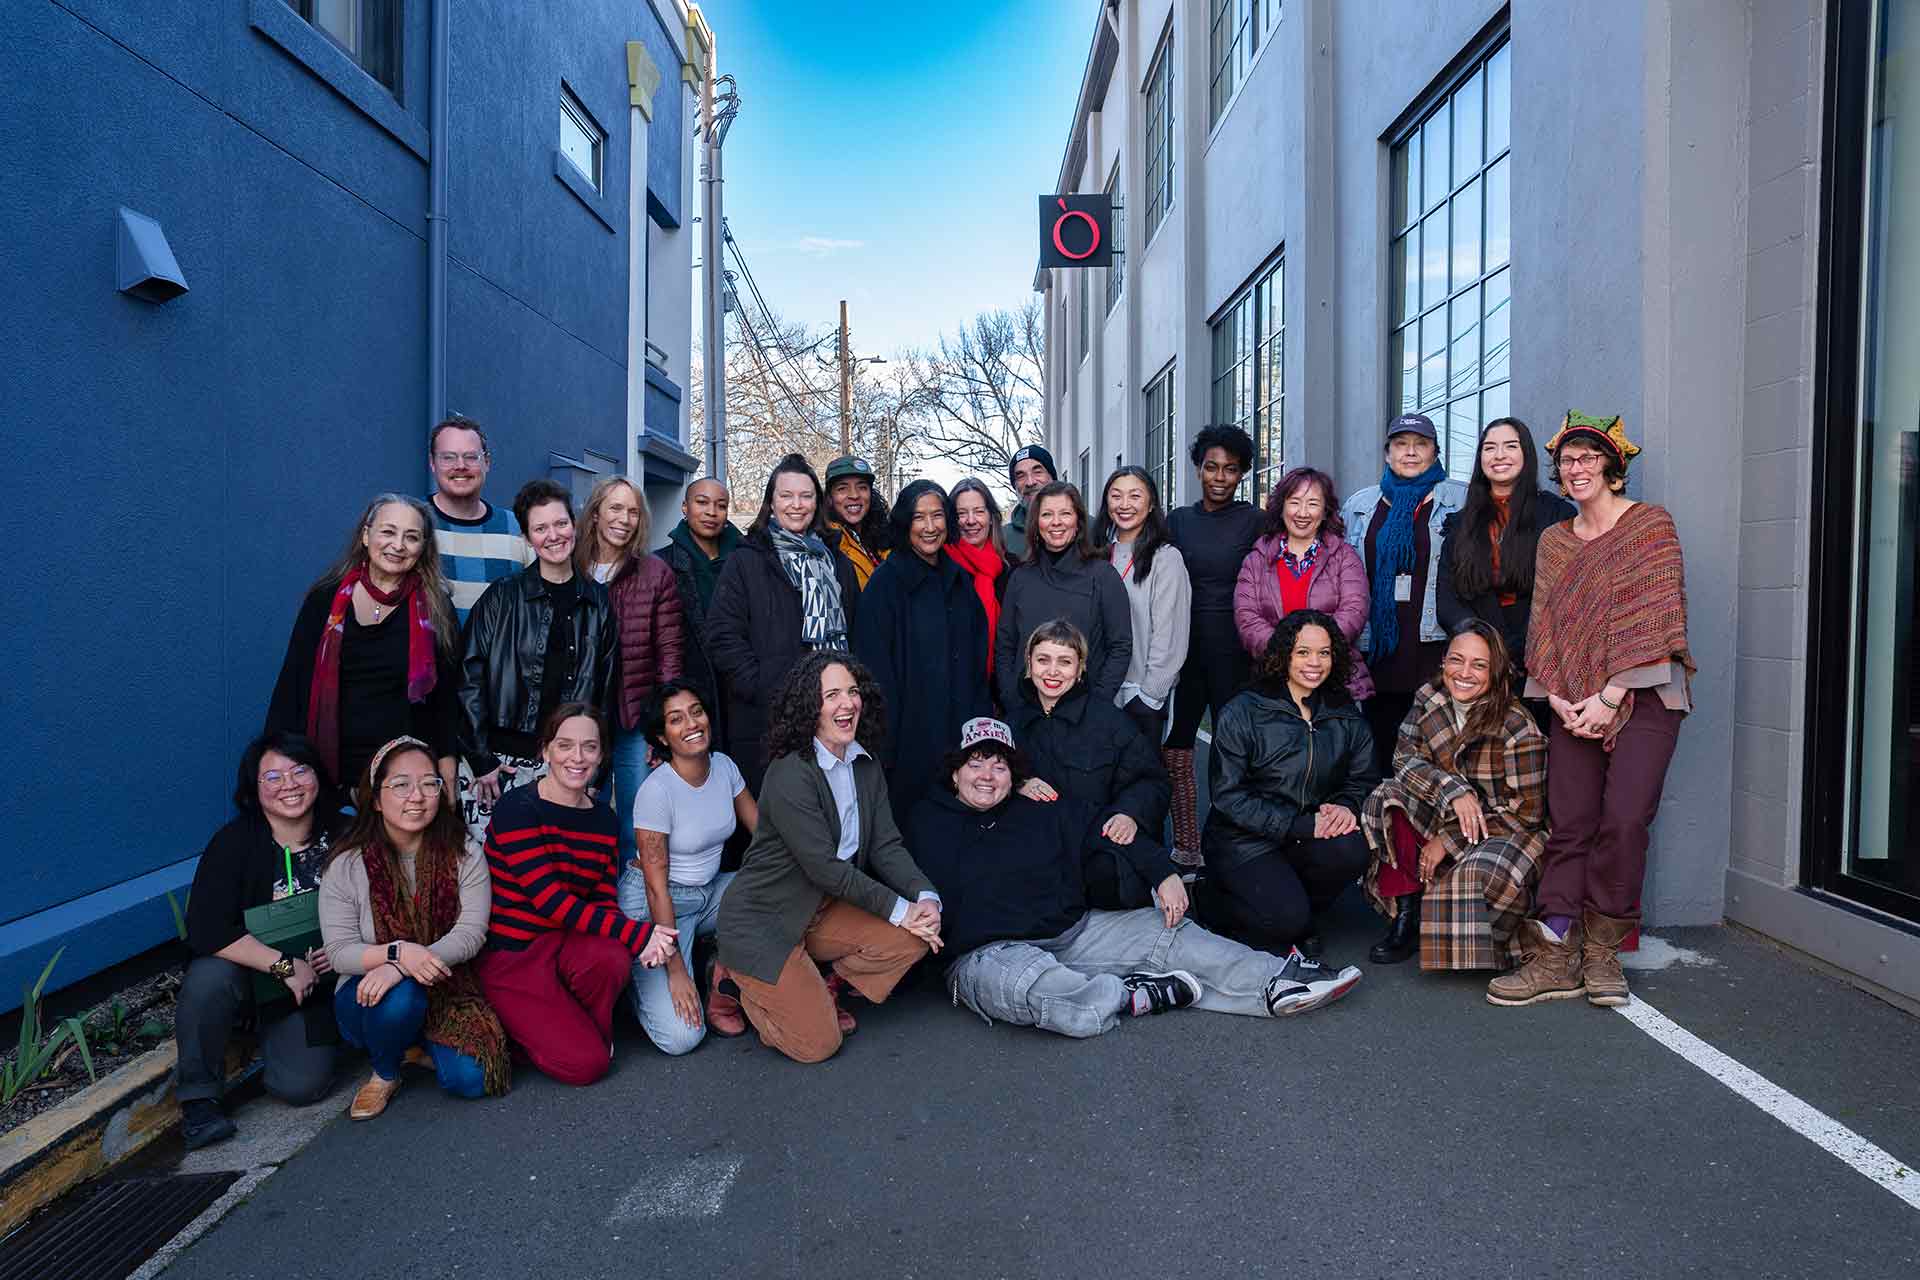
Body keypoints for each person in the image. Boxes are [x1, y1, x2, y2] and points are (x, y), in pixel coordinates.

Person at [907, 718, 1361, 1037]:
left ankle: (1276, 982)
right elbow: (899, 883)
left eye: (999, 766)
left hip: (1071, 933)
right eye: (975, 763)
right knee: (1032, 988)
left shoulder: (1040, 808)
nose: (986, 776)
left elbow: (1110, 831)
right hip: (990, 955)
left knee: (1162, 930)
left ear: (1015, 775)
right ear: (955, 771)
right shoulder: (926, 821)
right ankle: (1130, 995)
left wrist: (1164, 873)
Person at [1488, 413, 1693, 1009]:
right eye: (1567, 461)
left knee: (1624, 821)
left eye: (1587, 458)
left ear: (1612, 466)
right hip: (1571, 699)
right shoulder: (1555, 541)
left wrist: (1611, 695)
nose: (1575, 469)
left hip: (1646, 695)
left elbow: (1659, 617)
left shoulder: (1650, 526)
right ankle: (1556, 952)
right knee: (1570, 824)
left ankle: (1603, 949)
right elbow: (1546, 626)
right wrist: (1555, 694)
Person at [714, 652, 939, 1064]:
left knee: (914, 935)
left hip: (819, 909)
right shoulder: (790, 772)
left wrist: (925, 898)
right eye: (831, 695)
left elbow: (886, 846)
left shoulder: (864, 764)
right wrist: (900, 909)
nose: (847, 703)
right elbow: (824, 868)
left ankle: (822, 990)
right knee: (818, 1044)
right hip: (764, 922)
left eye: (852, 692)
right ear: (809, 707)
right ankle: (734, 980)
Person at [474, 704, 678, 1083]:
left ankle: (572, 1028)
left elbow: (602, 900)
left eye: (590, 747)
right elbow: (549, 900)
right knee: (588, 1066)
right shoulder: (517, 808)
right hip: (516, 955)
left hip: (567, 943)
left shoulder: (603, 819)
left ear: (601, 756)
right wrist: (639, 936)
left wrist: (632, 942)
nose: (577, 757)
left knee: (612, 958)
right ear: (546, 750)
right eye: (565, 745)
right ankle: (519, 1029)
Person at [319, 736, 510, 1118]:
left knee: (473, 1080)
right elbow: (340, 953)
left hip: (446, 984)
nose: (417, 796)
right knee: (402, 998)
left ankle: (413, 1043)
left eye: (429, 783)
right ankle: (385, 1072)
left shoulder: (463, 851)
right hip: (367, 995)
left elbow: (471, 932)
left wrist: (405, 964)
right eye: (401, 785)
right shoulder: (347, 864)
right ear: (376, 799)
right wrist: (398, 954)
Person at [176, 733, 344, 1151]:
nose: (289, 784)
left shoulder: (346, 833)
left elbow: (383, 901)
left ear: (318, 775)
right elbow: (206, 927)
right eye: (273, 776)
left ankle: (295, 1040)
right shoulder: (234, 843)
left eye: (299, 770)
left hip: (317, 988)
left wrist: (345, 947)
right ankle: (199, 1100)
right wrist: (284, 965)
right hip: (253, 976)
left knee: (301, 1087)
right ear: (254, 788)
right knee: (208, 977)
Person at [1360, 621, 1548, 969]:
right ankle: (1406, 916)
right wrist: (1452, 789)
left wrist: (1447, 841)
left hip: (1505, 831)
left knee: (1474, 879)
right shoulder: (1428, 698)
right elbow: (1403, 759)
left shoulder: (1518, 727)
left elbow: (1528, 815)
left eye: (1479, 665)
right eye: (1456, 660)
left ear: (1496, 672)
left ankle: (1477, 935)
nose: (1464, 673)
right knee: (1386, 797)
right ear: (1443, 661)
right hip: (1447, 810)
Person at [1197, 610, 1380, 961]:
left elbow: (1363, 778)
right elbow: (1228, 797)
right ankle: (1213, 899)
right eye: (1303, 652)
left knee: (1352, 849)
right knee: (1285, 923)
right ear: (1284, 655)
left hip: (1305, 836)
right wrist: (1301, 825)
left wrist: (1346, 805)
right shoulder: (1243, 711)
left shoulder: (1344, 712)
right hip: (1244, 841)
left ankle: (1297, 913)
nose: (1315, 663)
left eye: (1324, 653)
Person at [456, 480, 618, 854]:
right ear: (528, 538)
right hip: (498, 765)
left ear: (574, 525)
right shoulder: (502, 596)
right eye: (541, 528)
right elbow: (467, 679)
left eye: (560, 523)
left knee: (558, 869)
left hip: (568, 763)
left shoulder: (599, 602)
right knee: (494, 867)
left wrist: (597, 773)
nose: (554, 535)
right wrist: (481, 759)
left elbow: (606, 693)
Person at [267, 494, 461, 798]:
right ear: (366, 535)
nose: (398, 545)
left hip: (403, 777)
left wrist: (448, 762)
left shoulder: (436, 608)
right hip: (330, 771)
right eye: (388, 532)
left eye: (411, 537)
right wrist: (278, 761)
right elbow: (292, 684)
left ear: (423, 547)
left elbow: (447, 698)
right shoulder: (324, 600)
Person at [705, 454, 862, 794]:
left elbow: (855, 634)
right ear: (771, 503)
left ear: (817, 503)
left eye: (806, 496)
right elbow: (722, 637)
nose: (797, 505)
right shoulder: (745, 561)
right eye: (786, 495)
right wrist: (765, 688)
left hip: (833, 716)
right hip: (767, 721)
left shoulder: (838, 564)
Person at [616, 682, 758, 1054]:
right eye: (676, 719)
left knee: (777, 888)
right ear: (663, 737)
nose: (692, 724)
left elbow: (764, 835)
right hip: (654, 910)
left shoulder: (724, 766)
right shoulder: (657, 791)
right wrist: (676, 971)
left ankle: (719, 968)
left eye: (696, 712)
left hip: (708, 894)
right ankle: (636, 981)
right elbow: (655, 889)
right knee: (682, 1038)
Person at [1340, 412, 1470, 776]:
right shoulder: (1360, 505)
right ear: (1387, 453)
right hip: (1379, 650)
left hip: (1434, 648)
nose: (1410, 452)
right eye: (1401, 444)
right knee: (1381, 753)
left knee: (1436, 755)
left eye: (1420, 444)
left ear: (1435, 452)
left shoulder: (1460, 499)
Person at [1007, 622, 1169, 911]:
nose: (1053, 671)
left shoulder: (1110, 722)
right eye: (1043, 660)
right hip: (1037, 853)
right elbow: (982, 786)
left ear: (1080, 668)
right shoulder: (1011, 725)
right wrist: (1018, 783)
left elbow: (1151, 781)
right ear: (1029, 664)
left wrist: (1129, 813)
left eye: (1065, 662)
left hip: (1097, 850)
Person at [852, 478, 990, 816]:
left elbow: (976, 663)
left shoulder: (960, 581)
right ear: (904, 523)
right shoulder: (884, 586)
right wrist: (886, 745)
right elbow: (872, 673)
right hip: (908, 744)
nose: (930, 527)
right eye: (918, 517)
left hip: (960, 736)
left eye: (937, 515)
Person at [1165, 425, 1264, 865]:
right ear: (1198, 469)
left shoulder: (1255, 521)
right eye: (1211, 467)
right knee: (1177, 749)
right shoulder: (1178, 522)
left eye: (1230, 469)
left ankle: (1227, 846)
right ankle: (1187, 846)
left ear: (1242, 474)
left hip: (1236, 655)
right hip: (1184, 653)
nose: (1220, 477)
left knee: (1232, 753)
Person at [576, 476, 685, 866]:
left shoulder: (655, 573)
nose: (624, 519)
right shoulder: (571, 567)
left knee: (637, 820)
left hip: (634, 717)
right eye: (616, 508)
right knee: (581, 814)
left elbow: (669, 654)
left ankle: (632, 896)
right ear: (596, 513)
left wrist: (661, 725)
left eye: (633, 511)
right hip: (580, 717)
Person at [1436, 417, 1575, 717]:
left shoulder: (1557, 514)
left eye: (1510, 446)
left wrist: (1520, 647)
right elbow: (1446, 601)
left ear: (1526, 454)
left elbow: (1565, 595)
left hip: (1541, 659)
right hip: (1479, 660)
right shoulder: (1460, 523)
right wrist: (1486, 644)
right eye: (1489, 448)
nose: (1499, 455)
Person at [1233, 467, 1374, 705]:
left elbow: (1354, 611)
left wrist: (1315, 654)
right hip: (1274, 681)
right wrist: (1287, 653)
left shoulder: (1344, 557)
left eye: (1313, 504)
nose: (1302, 512)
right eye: (1294, 502)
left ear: (1325, 511)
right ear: (1281, 508)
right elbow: (1247, 617)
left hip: (1336, 682)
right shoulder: (1256, 559)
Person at [994, 481, 1132, 710]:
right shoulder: (1020, 577)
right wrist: (1011, 697)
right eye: (1047, 514)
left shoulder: (1103, 576)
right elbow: (1005, 644)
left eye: (1065, 513)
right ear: (1036, 523)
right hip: (1025, 709)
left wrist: (1097, 704)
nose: (1056, 522)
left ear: (1078, 522)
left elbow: (1120, 646)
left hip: (1084, 710)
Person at [1094, 466, 1191, 745]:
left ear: (1150, 505)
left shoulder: (1166, 559)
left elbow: (1170, 633)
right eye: (1116, 496)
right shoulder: (1097, 555)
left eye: (1135, 496)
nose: (1124, 505)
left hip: (1140, 696)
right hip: (1100, 692)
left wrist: (1149, 695)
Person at [656, 477, 741, 744]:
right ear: (685, 507)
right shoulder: (661, 564)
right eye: (702, 502)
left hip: (740, 691)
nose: (711, 512)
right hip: (689, 693)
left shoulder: (746, 559)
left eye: (721, 505)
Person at [423, 417, 530, 623]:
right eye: (448, 457)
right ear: (432, 463)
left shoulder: (518, 528)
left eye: (471, 457)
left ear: (487, 462)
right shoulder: (412, 525)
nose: (460, 466)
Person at [943, 477, 1010, 689]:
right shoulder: (940, 570)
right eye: (961, 513)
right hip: (951, 686)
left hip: (1000, 689)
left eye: (979, 511)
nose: (970, 521)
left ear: (991, 517)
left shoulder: (1011, 569)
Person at [823, 455, 893, 589]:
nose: (854, 495)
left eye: (862, 487)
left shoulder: (881, 536)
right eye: (842, 488)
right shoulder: (828, 544)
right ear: (829, 498)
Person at [1003, 444, 1058, 561]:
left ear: (1052, 477)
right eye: (1021, 476)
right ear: (1015, 486)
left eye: (1037, 472)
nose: (1030, 482)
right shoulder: (1003, 538)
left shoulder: (1085, 527)